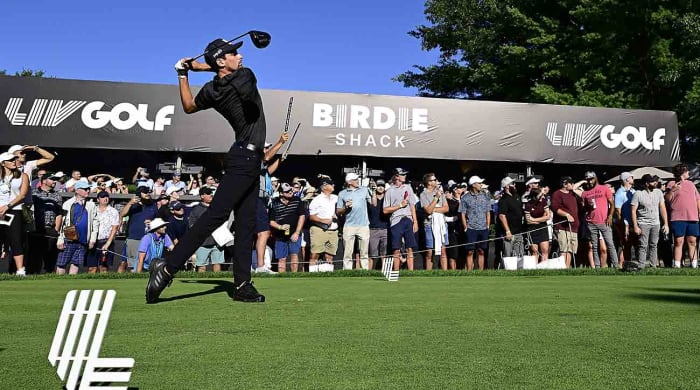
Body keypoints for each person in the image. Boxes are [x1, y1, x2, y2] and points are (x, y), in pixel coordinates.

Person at [146, 38, 269, 303]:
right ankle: (167, 269)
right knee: (215, 216)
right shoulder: (245, 75)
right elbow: (234, 80)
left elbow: (189, 106)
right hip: (244, 158)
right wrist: (203, 67)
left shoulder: (213, 89)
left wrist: (184, 73)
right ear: (223, 61)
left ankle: (242, 285)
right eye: (234, 53)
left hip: (248, 158)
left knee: (246, 224)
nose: (241, 56)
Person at [57, 181, 99, 275]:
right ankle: (59, 283)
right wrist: (60, 239)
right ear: (77, 190)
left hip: (83, 240)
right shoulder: (68, 204)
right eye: (85, 189)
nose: (88, 191)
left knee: (76, 263)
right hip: (69, 238)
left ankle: (72, 283)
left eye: (88, 189)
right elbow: (63, 223)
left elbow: (95, 223)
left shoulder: (91, 205)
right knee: (62, 263)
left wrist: (92, 239)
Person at [664, 163, 700, 268]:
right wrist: (672, 190)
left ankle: (694, 264)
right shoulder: (671, 184)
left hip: (692, 217)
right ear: (682, 173)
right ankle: (677, 264)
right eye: (687, 171)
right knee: (678, 241)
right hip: (677, 217)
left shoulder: (691, 184)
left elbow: (698, 199)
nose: (688, 172)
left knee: (692, 240)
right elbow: (667, 199)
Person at [631, 174, 669, 270]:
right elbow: (633, 210)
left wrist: (666, 223)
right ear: (647, 183)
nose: (655, 183)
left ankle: (653, 266)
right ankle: (641, 266)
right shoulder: (638, 194)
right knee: (643, 245)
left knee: (654, 244)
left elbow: (662, 208)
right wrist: (635, 226)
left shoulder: (658, 192)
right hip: (643, 222)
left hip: (656, 223)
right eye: (652, 181)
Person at [383, 168, 418, 271]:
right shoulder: (389, 191)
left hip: (408, 219)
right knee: (396, 249)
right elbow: (385, 210)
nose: (405, 176)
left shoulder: (408, 188)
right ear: (396, 176)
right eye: (402, 174)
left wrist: (415, 222)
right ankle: (396, 272)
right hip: (396, 221)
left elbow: (412, 206)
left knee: (410, 248)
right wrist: (399, 205)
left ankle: (411, 273)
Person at [581, 171, 618, 268]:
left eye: (591, 179)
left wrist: (610, 216)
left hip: (604, 221)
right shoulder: (585, 193)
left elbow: (612, 203)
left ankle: (616, 265)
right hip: (591, 222)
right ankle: (597, 267)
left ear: (595, 178)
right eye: (588, 180)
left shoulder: (604, 188)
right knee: (594, 246)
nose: (590, 182)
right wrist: (588, 206)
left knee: (610, 244)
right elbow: (583, 208)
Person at [0, 152, 29, 276]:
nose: (13, 161)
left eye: (14, 159)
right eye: (10, 160)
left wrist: (8, 206)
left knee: (16, 240)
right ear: (3, 163)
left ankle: (20, 271)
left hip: (14, 210)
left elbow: (22, 195)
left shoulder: (23, 175)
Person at [29, 172, 64, 273]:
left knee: (50, 257)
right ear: (44, 181)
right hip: (35, 229)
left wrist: (56, 229)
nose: (54, 181)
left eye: (55, 179)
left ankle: (48, 276)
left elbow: (59, 214)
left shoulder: (57, 195)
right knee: (35, 256)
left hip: (50, 229)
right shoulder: (33, 193)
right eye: (52, 179)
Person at [336, 172, 372, 270]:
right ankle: (347, 272)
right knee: (347, 252)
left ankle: (365, 271)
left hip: (363, 225)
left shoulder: (364, 190)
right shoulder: (342, 193)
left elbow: (373, 203)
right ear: (350, 182)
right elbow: (338, 211)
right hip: (349, 226)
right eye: (355, 180)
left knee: (364, 252)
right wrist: (345, 207)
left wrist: (374, 191)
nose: (357, 181)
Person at [269, 183, 306, 272]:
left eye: (290, 190)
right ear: (281, 193)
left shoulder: (297, 200)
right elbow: (271, 221)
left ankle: (294, 277)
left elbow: (302, 216)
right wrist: (280, 227)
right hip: (280, 235)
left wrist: (297, 233)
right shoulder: (274, 202)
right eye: (287, 191)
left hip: (295, 233)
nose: (290, 192)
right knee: (281, 258)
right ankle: (282, 278)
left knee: (294, 254)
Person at [550, 176, 584, 268]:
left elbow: (581, 193)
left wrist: (583, 181)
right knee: (563, 249)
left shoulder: (573, 193)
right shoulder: (557, 194)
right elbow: (555, 208)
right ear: (565, 184)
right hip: (562, 226)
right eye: (570, 183)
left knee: (571, 250)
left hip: (574, 227)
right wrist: (566, 215)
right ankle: (562, 269)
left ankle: (567, 269)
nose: (572, 185)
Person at [459, 176, 491, 270]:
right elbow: (462, 213)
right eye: (479, 183)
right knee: (470, 251)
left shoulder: (485, 196)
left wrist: (488, 225)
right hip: (471, 228)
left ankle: (480, 272)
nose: (481, 185)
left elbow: (488, 212)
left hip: (483, 228)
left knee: (481, 250)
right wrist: (465, 227)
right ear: (473, 185)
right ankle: (469, 272)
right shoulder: (465, 198)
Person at [84, 191, 120, 273]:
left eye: (107, 197)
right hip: (92, 242)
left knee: (103, 268)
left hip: (106, 241)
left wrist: (108, 244)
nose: (106, 198)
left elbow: (114, 228)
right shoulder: (92, 210)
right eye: (103, 197)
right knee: (92, 268)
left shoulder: (113, 211)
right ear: (98, 199)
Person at [308, 177, 339, 269]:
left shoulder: (336, 198)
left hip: (333, 231)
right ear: (324, 186)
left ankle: (328, 275)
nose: (333, 185)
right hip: (319, 230)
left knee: (330, 256)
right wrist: (324, 220)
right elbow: (311, 216)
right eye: (331, 184)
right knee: (315, 255)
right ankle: (312, 275)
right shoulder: (317, 200)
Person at [419, 173, 449, 270]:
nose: (436, 181)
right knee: (429, 252)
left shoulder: (441, 192)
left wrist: (433, 209)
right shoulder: (423, 195)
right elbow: (427, 211)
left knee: (443, 250)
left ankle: (445, 274)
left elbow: (446, 208)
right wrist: (436, 198)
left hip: (442, 224)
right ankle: (428, 274)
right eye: (434, 180)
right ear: (429, 182)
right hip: (429, 224)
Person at [497, 176, 524, 262]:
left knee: (520, 256)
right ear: (507, 186)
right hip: (509, 233)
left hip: (519, 231)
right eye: (512, 183)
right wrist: (507, 231)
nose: (514, 185)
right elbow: (502, 216)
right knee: (508, 257)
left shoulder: (516, 196)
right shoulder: (503, 200)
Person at [614, 172, 636, 268]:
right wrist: (623, 226)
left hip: (634, 222)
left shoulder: (633, 191)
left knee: (636, 245)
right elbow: (618, 212)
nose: (633, 179)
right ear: (627, 179)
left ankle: (634, 265)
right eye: (632, 177)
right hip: (625, 224)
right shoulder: (619, 193)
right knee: (626, 245)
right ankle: (626, 265)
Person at [368, 179, 390, 270]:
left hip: (385, 229)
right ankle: (368, 272)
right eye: (379, 185)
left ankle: (384, 271)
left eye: (382, 186)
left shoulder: (387, 199)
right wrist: (373, 190)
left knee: (384, 254)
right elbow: (374, 204)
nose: (380, 187)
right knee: (372, 254)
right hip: (373, 229)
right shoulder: (371, 198)